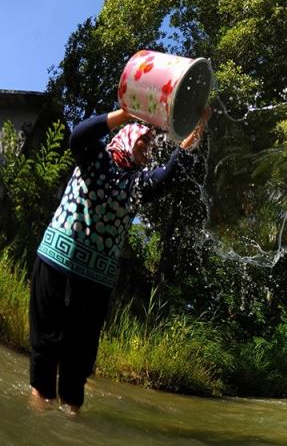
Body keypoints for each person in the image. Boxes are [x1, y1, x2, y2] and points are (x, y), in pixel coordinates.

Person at [29, 106, 210, 413]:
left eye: (151, 146)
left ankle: (67, 426)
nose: (148, 150)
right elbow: (79, 134)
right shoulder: (95, 157)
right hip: (55, 264)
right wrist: (128, 112)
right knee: (45, 352)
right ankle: (38, 416)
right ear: (128, 137)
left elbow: (171, 173)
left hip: (95, 282)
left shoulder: (136, 185)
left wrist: (199, 127)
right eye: (144, 143)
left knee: (77, 367)